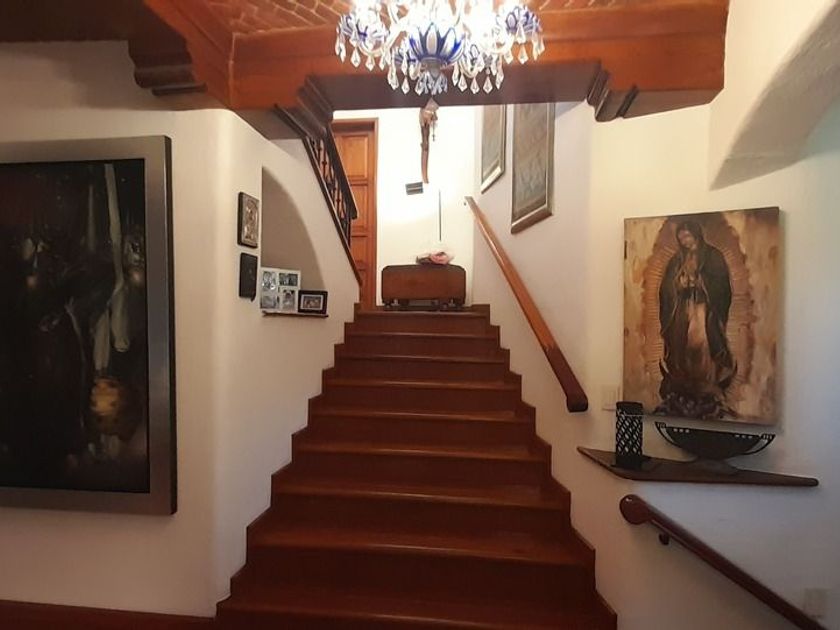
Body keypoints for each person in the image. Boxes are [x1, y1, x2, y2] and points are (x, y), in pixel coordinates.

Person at [656, 220, 736, 419]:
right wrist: (677, 286)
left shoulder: (713, 256)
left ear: (696, 234)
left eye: (687, 236)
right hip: (682, 309)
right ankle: (683, 383)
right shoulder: (676, 260)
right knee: (680, 344)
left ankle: (706, 384)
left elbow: (722, 287)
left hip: (703, 310)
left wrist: (701, 283)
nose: (685, 241)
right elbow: (665, 289)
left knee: (700, 344)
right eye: (681, 238)